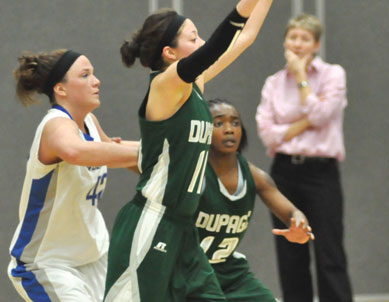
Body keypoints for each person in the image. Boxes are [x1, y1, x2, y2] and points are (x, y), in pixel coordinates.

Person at [104, 1, 272, 301]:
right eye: (193, 38)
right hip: (151, 222)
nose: (202, 42)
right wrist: (244, 6)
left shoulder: (195, 83)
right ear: (170, 52)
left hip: (185, 228)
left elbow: (244, 37)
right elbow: (217, 46)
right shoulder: (164, 85)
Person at [7, 49, 139, 302]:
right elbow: (77, 152)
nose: (96, 80)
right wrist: (159, 152)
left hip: (93, 257)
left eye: (93, 74)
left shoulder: (88, 120)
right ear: (61, 89)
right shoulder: (55, 126)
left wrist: (178, 152)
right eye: (85, 75)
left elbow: (115, 151)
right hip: (48, 263)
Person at [255, 13, 353, 302]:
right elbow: (268, 134)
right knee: (290, 254)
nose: (297, 44)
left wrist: (300, 78)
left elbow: (323, 115)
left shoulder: (333, 74)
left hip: (321, 172)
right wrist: (306, 122)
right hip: (284, 171)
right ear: (285, 40)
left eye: (304, 38)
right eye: (292, 37)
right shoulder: (273, 82)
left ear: (316, 44)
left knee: (329, 253)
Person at [195, 98, 314, 302]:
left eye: (235, 123)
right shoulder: (191, 170)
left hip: (230, 273)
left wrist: (299, 227)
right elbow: (143, 155)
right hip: (190, 271)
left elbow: (292, 213)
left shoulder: (254, 176)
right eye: (219, 123)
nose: (229, 129)